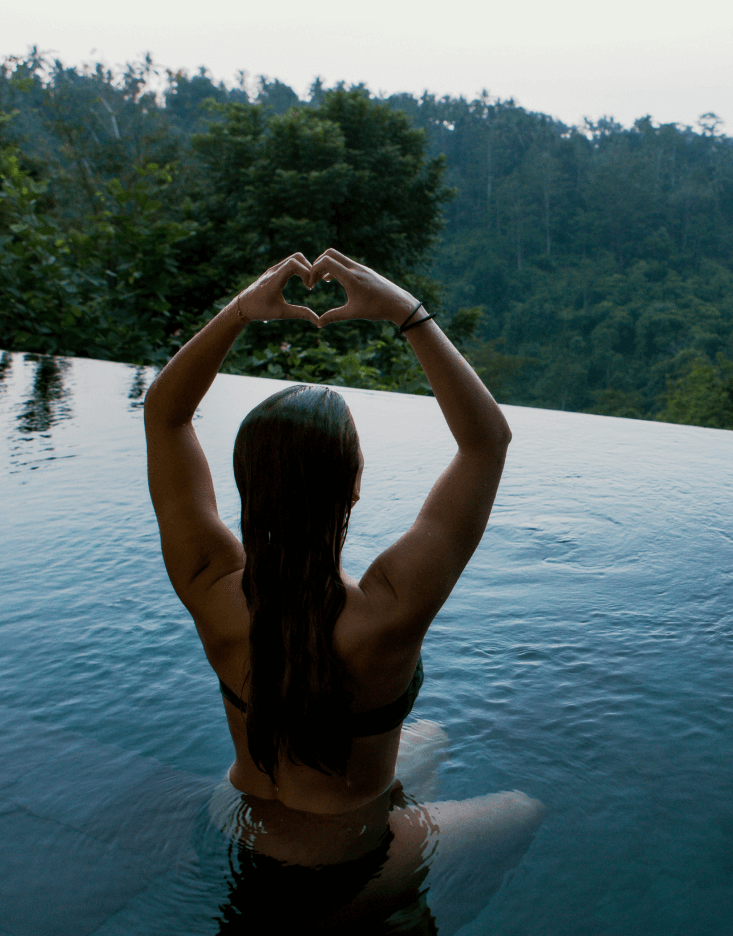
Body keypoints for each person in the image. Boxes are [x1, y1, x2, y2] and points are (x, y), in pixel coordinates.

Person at [145, 249, 545, 933]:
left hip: (235, 820)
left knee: (434, 740)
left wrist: (243, 310)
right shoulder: (389, 609)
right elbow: (487, 443)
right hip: (342, 865)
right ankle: (385, 909)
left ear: (246, 485)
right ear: (354, 485)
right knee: (524, 811)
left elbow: (165, 414)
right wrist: (406, 312)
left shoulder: (210, 585)